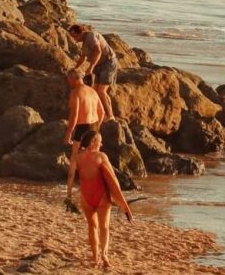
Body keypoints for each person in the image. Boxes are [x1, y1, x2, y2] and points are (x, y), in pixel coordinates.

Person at [66, 129, 132, 269]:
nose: (101, 144)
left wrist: (69, 195)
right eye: (100, 141)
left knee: (92, 226)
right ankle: (104, 254)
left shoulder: (76, 157)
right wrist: (120, 200)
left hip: (86, 197)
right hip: (101, 196)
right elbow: (112, 179)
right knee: (104, 227)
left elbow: (71, 176)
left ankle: (95, 256)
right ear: (93, 141)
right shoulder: (101, 156)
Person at [68, 23, 118, 120]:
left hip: (108, 62)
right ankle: (104, 114)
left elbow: (98, 51)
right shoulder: (84, 43)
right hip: (99, 65)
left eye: (75, 36)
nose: (74, 39)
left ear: (81, 32)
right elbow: (83, 57)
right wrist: (75, 68)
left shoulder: (91, 36)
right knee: (96, 90)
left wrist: (91, 67)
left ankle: (110, 117)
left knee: (101, 91)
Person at [64, 69, 105, 161]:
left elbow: (74, 115)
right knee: (93, 158)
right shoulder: (92, 91)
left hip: (82, 128)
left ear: (74, 79)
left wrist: (68, 133)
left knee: (75, 157)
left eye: (69, 80)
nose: (69, 83)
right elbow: (102, 112)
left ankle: (72, 175)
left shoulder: (75, 93)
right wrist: (96, 129)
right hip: (94, 126)